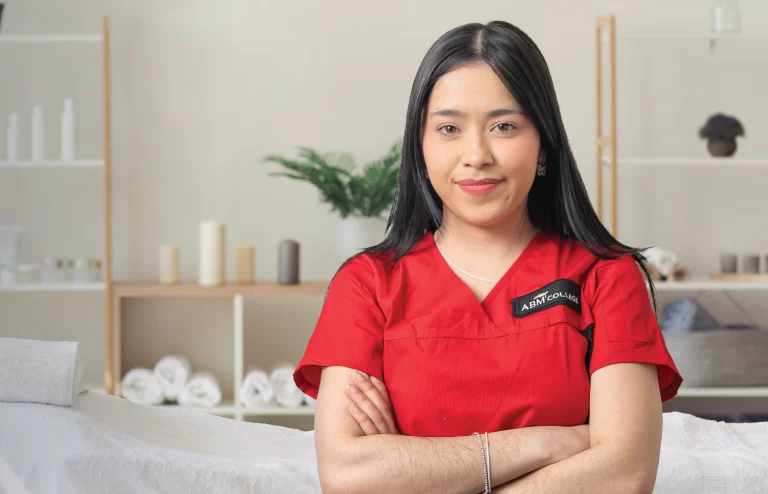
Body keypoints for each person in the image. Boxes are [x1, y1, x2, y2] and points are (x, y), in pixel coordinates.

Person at [293, 20, 682, 493]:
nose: (476, 154)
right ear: (422, 146)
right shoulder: (369, 283)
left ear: (543, 144)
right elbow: (348, 475)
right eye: (449, 128)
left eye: (504, 126)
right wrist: (544, 444)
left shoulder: (608, 278)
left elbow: (623, 476)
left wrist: (417, 471)